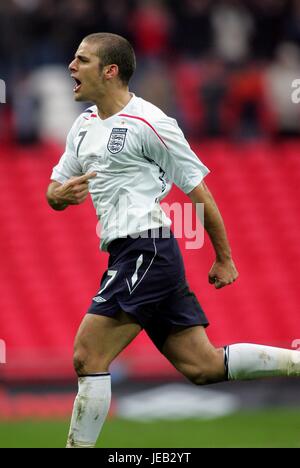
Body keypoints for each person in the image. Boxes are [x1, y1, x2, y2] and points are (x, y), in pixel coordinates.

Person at [46, 33, 300, 449]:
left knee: (87, 355)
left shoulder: (152, 123)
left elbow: (198, 192)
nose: (71, 67)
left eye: (82, 60)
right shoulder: (83, 126)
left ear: (110, 71)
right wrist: (61, 195)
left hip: (146, 247)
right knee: (203, 366)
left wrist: (225, 258)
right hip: (130, 253)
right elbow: (53, 191)